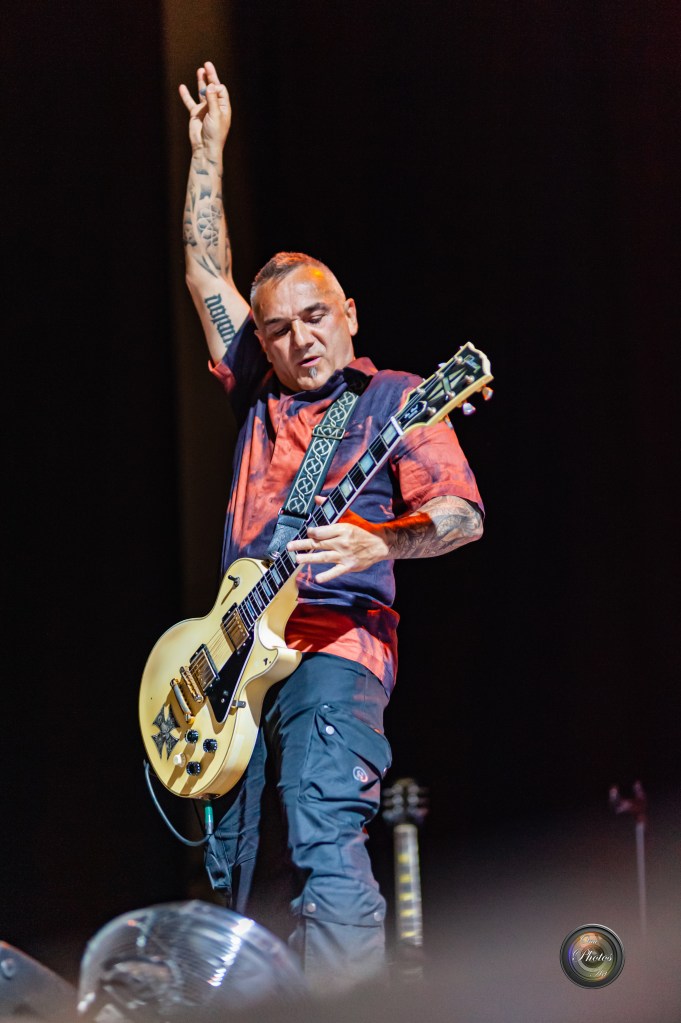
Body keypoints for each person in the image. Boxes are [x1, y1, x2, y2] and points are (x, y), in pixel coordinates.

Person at [179, 61, 484, 991]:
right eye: (278, 329)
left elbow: (461, 514)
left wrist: (379, 540)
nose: (299, 338)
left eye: (316, 318)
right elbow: (205, 270)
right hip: (238, 659)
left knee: (321, 828)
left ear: (348, 315)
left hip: (336, 645)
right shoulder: (256, 391)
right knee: (240, 873)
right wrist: (207, 151)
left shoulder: (396, 399)